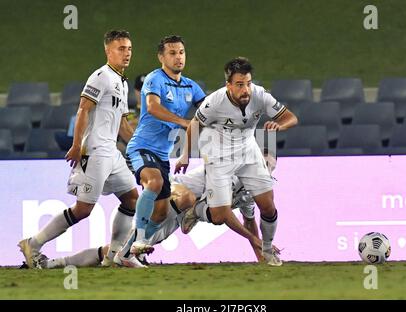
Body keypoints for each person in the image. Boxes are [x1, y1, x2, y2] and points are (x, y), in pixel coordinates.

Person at [18, 30, 139, 268]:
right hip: (94, 152)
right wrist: (76, 145)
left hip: (112, 153)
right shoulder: (101, 76)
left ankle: (114, 255)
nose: (126, 54)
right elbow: (83, 109)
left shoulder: (122, 82)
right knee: (84, 209)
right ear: (108, 51)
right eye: (120, 48)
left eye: (129, 49)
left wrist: (137, 148)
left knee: (132, 199)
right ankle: (33, 244)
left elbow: (122, 125)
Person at [41, 152, 278, 269]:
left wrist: (263, 256)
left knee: (114, 254)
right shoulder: (227, 171)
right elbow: (226, 215)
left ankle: (53, 264)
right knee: (194, 199)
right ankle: (193, 212)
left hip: (181, 212)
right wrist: (256, 241)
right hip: (174, 193)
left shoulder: (250, 194)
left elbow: (249, 221)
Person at [175, 57, 298, 266]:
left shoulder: (261, 95)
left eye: (248, 83)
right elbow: (194, 126)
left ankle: (267, 251)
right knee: (220, 215)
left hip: (249, 153)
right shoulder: (214, 102)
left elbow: (291, 118)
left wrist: (281, 126)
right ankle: (195, 210)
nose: (245, 90)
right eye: (240, 85)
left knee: (268, 206)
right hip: (220, 157)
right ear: (228, 85)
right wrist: (185, 154)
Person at [122, 35, 206, 259]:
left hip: (162, 155)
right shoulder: (154, 79)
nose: (178, 57)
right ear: (161, 57)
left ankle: (126, 253)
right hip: (141, 147)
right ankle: (139, 241)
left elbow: (209, 111)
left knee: (160, 214)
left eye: (181, 52)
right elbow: (152, 108)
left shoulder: (191, 86)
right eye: (172, 53)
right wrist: (183, 122)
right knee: (155, 182)